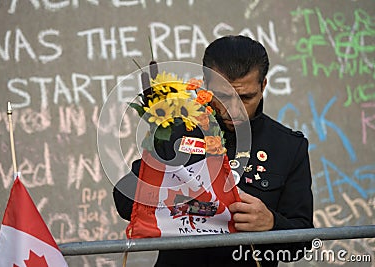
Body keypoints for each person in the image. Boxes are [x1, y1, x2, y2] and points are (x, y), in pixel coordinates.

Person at [113, 35, 314, 267]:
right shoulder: (177, 132)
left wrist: (271, 224)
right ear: (205, 87)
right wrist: (167, 186)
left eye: (246, 97)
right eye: (224, 97)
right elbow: (124, 202)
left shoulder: (288, 146)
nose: (234, 109)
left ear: (264, 86)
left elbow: (302, 242)